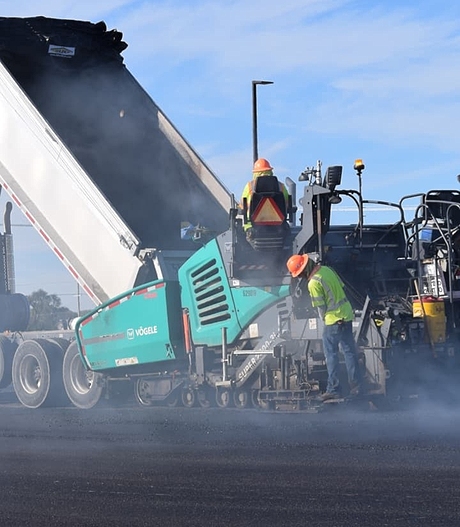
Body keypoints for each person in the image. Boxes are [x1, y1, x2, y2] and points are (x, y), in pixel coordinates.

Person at [286, 253, 363, 401]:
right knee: (349, 352)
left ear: (304, 270)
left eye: (300, 274)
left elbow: (321, 307)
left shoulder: (313, 283)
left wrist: (322, 320)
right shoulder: (328, 270)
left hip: (333, 320)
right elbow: (341, 287)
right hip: (347, 316)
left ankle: (333, 389)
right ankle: (357, 387)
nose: (301, 277)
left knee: (331, 355)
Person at [240, 158, 290, 234]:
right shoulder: (281, 186)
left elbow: (242, 207)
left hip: (252, 227)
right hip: (278, 227)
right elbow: (287, 205)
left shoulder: (249, 187)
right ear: (270, 171)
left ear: (255, 173)